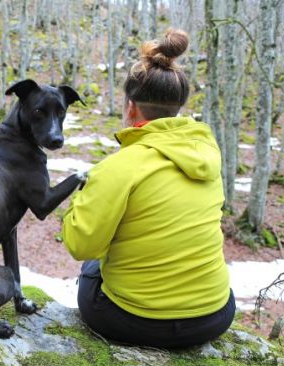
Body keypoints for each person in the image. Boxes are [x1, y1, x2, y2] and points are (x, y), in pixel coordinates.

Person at [61, 28, 235, 349]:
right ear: (176, 109)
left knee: (91, 268)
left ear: (130, 108)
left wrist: (81, 199)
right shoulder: (208, 155)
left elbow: (80, 244)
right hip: (214, 316)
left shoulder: (119, 167)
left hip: (133, 320)